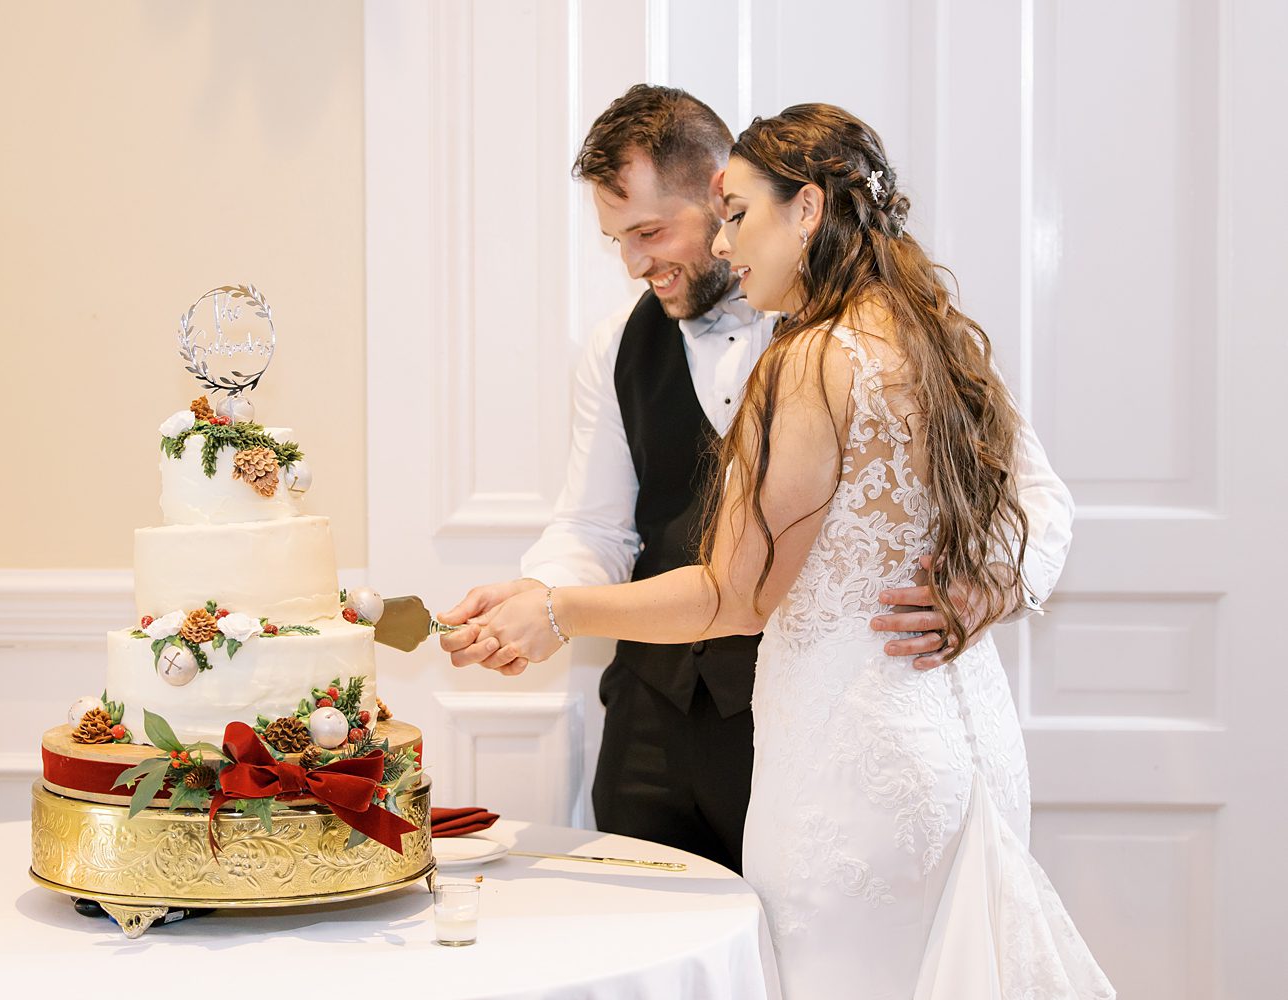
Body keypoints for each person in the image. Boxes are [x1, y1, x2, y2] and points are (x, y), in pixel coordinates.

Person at [464, 103, 1113, 997]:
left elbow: (1031, 501)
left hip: (825, 738)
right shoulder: (628, 345)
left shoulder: (823, 347)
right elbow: (595, 526)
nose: (638, 260)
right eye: (617, 238)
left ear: (743, 193)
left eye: (659, 228)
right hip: (675, 717)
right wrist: (537, 598)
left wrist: (991, 589)